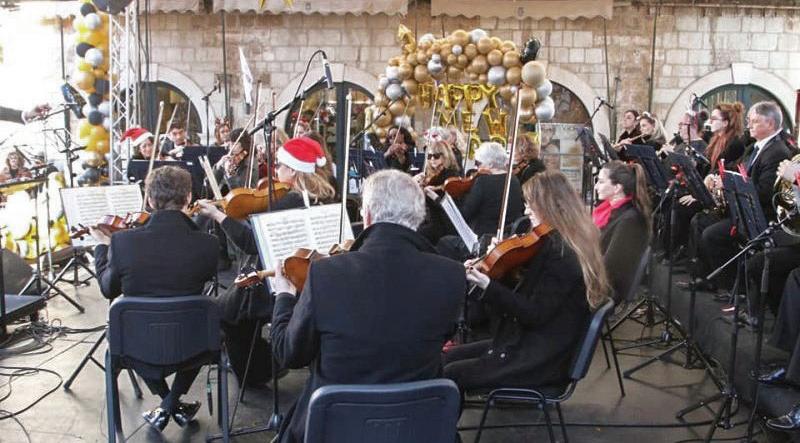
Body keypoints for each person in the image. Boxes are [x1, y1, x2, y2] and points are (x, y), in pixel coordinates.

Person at [269, 169, 465, 443]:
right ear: (419, 218)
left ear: (368, 216)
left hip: (334, 430)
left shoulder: (325, 274)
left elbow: (289, 353)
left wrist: (284, 297)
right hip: (416, 429)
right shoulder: (452, 275)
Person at [444, 170, 609, 391]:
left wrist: (488, 285)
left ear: (550, 205)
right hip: (529, 341)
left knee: (450, 373)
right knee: (448, 358)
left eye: (531, 204)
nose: (526, 210)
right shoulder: (557, 242)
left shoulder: (563, 254)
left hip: (540, 358)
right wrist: (504, 268)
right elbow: (530, 294)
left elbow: (534, 313)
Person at [196, 137, 335, 387]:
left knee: (224, 311)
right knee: (239, 308)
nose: (275, 170)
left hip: (278, 281)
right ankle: (266, 361)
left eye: (279, 165)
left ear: (293, 170)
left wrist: (217, 215)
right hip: (315, 283)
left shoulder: (288, 201)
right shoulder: (325, 196)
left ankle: (256, 372)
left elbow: (252, 243)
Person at [90, 166, 218, 433]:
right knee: (198, 325)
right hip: (193, 342)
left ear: (148, 200)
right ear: (188, 198)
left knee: (134, 327)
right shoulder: (208, 244)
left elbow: (108, 289)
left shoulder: (123, 243)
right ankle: (172, 405)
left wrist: (102, 247)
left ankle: (167, 405)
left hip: (136, 343)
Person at [694, 101, 793, 293]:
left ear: (770, 124)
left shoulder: (777, 152)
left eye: (754, 121)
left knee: (711, 235)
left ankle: (735, 288)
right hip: (743, 211)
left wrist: (727, 185)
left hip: (760, 217)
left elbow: (765, 193)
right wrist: (717, 176)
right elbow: (735, 167)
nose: (749, 125)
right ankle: (715, 281)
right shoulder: (755, 147)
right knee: (701, 222)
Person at [435, 141, 524, 262]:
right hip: (504, 239)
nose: (476, 168)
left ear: (490, 164)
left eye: (478, 163)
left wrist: (454, 198)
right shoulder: (513, 180)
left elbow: (465, 215)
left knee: (444, 242)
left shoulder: (483, 182)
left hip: (482, 241)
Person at [593, 161, 651, 303]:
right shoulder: (612, 210)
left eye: (601, 182)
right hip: (598, 278)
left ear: (617, 188)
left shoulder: (630, 219)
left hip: (605, 289)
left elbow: (610, 267)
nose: (596, 186)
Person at [415, 140, 462, 244]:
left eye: (436, 156)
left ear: (445, 156)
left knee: (416, 235)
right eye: (429, 156)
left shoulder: (451, 176)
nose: (432, 159)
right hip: (430, 220)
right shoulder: (431, 176)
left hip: (443, 224)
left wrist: (429, 194)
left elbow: (448, 208)